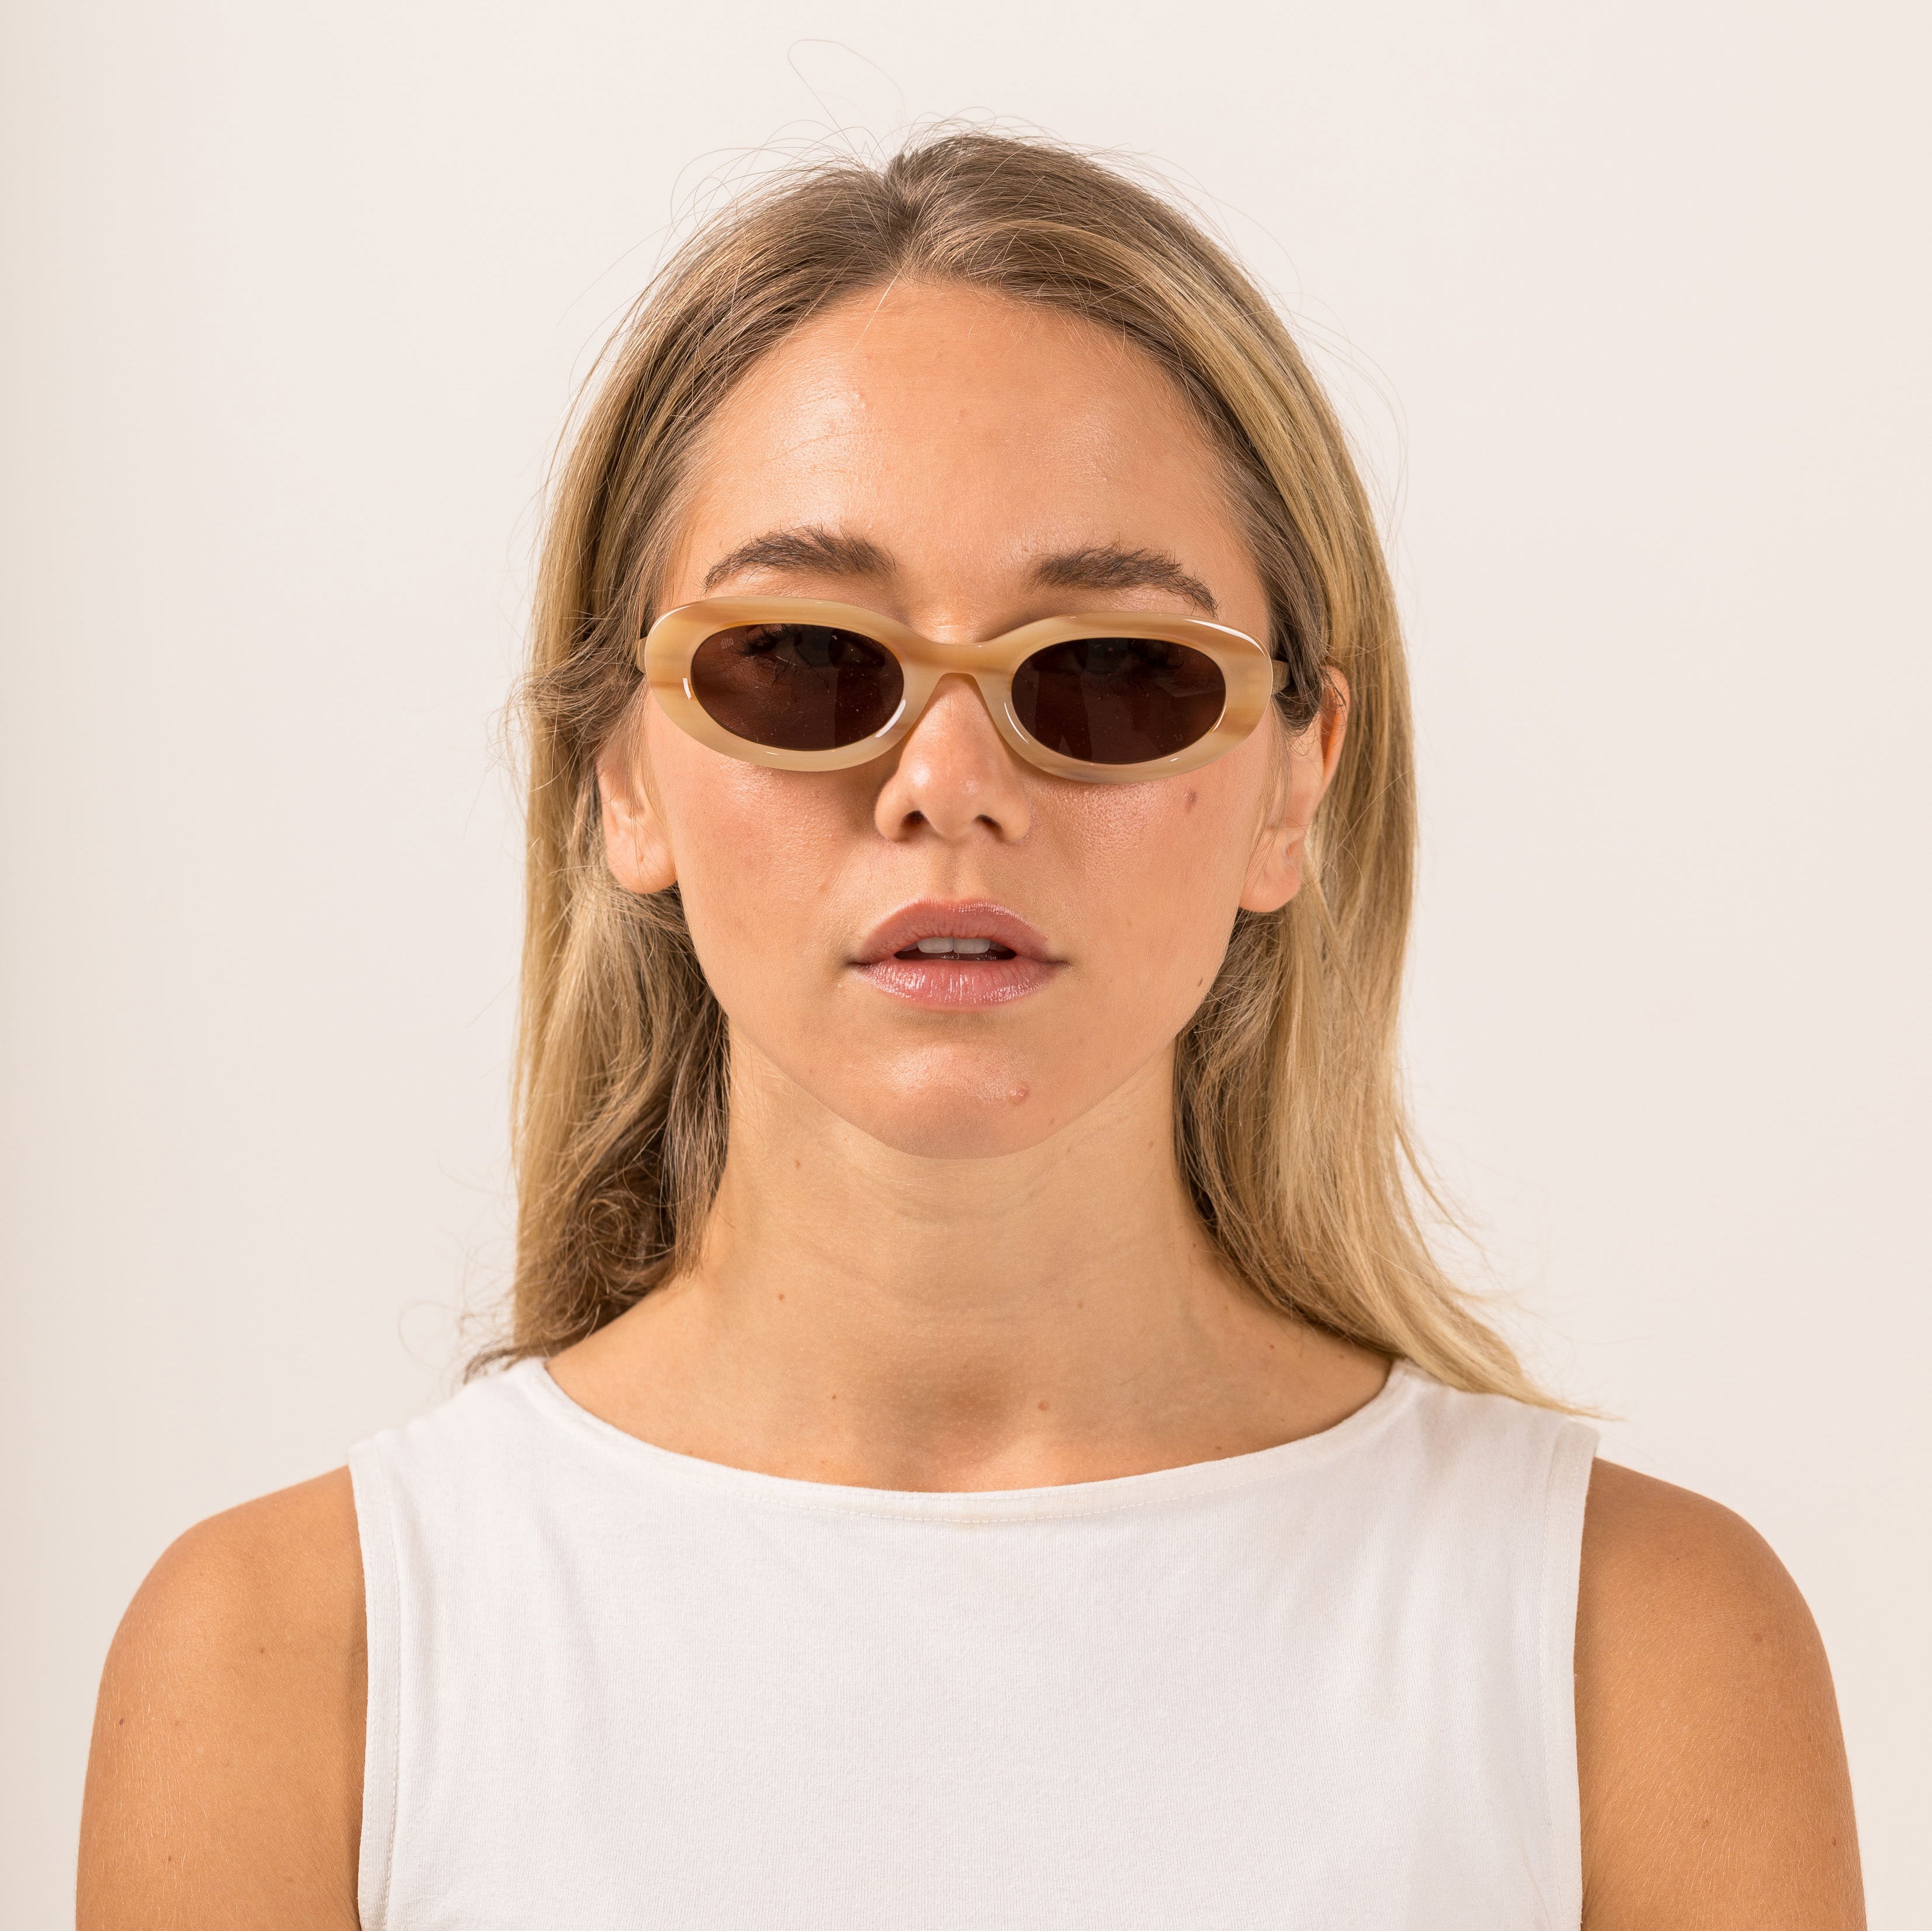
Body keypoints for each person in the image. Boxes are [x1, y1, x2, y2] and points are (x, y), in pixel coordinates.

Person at [77, 132, 1864, 1929]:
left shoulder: (1632, 1657)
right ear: (621, 770)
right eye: (802, 656)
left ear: (1293, 780)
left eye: (1109, 669)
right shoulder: (287, 1669)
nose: (946, 781)